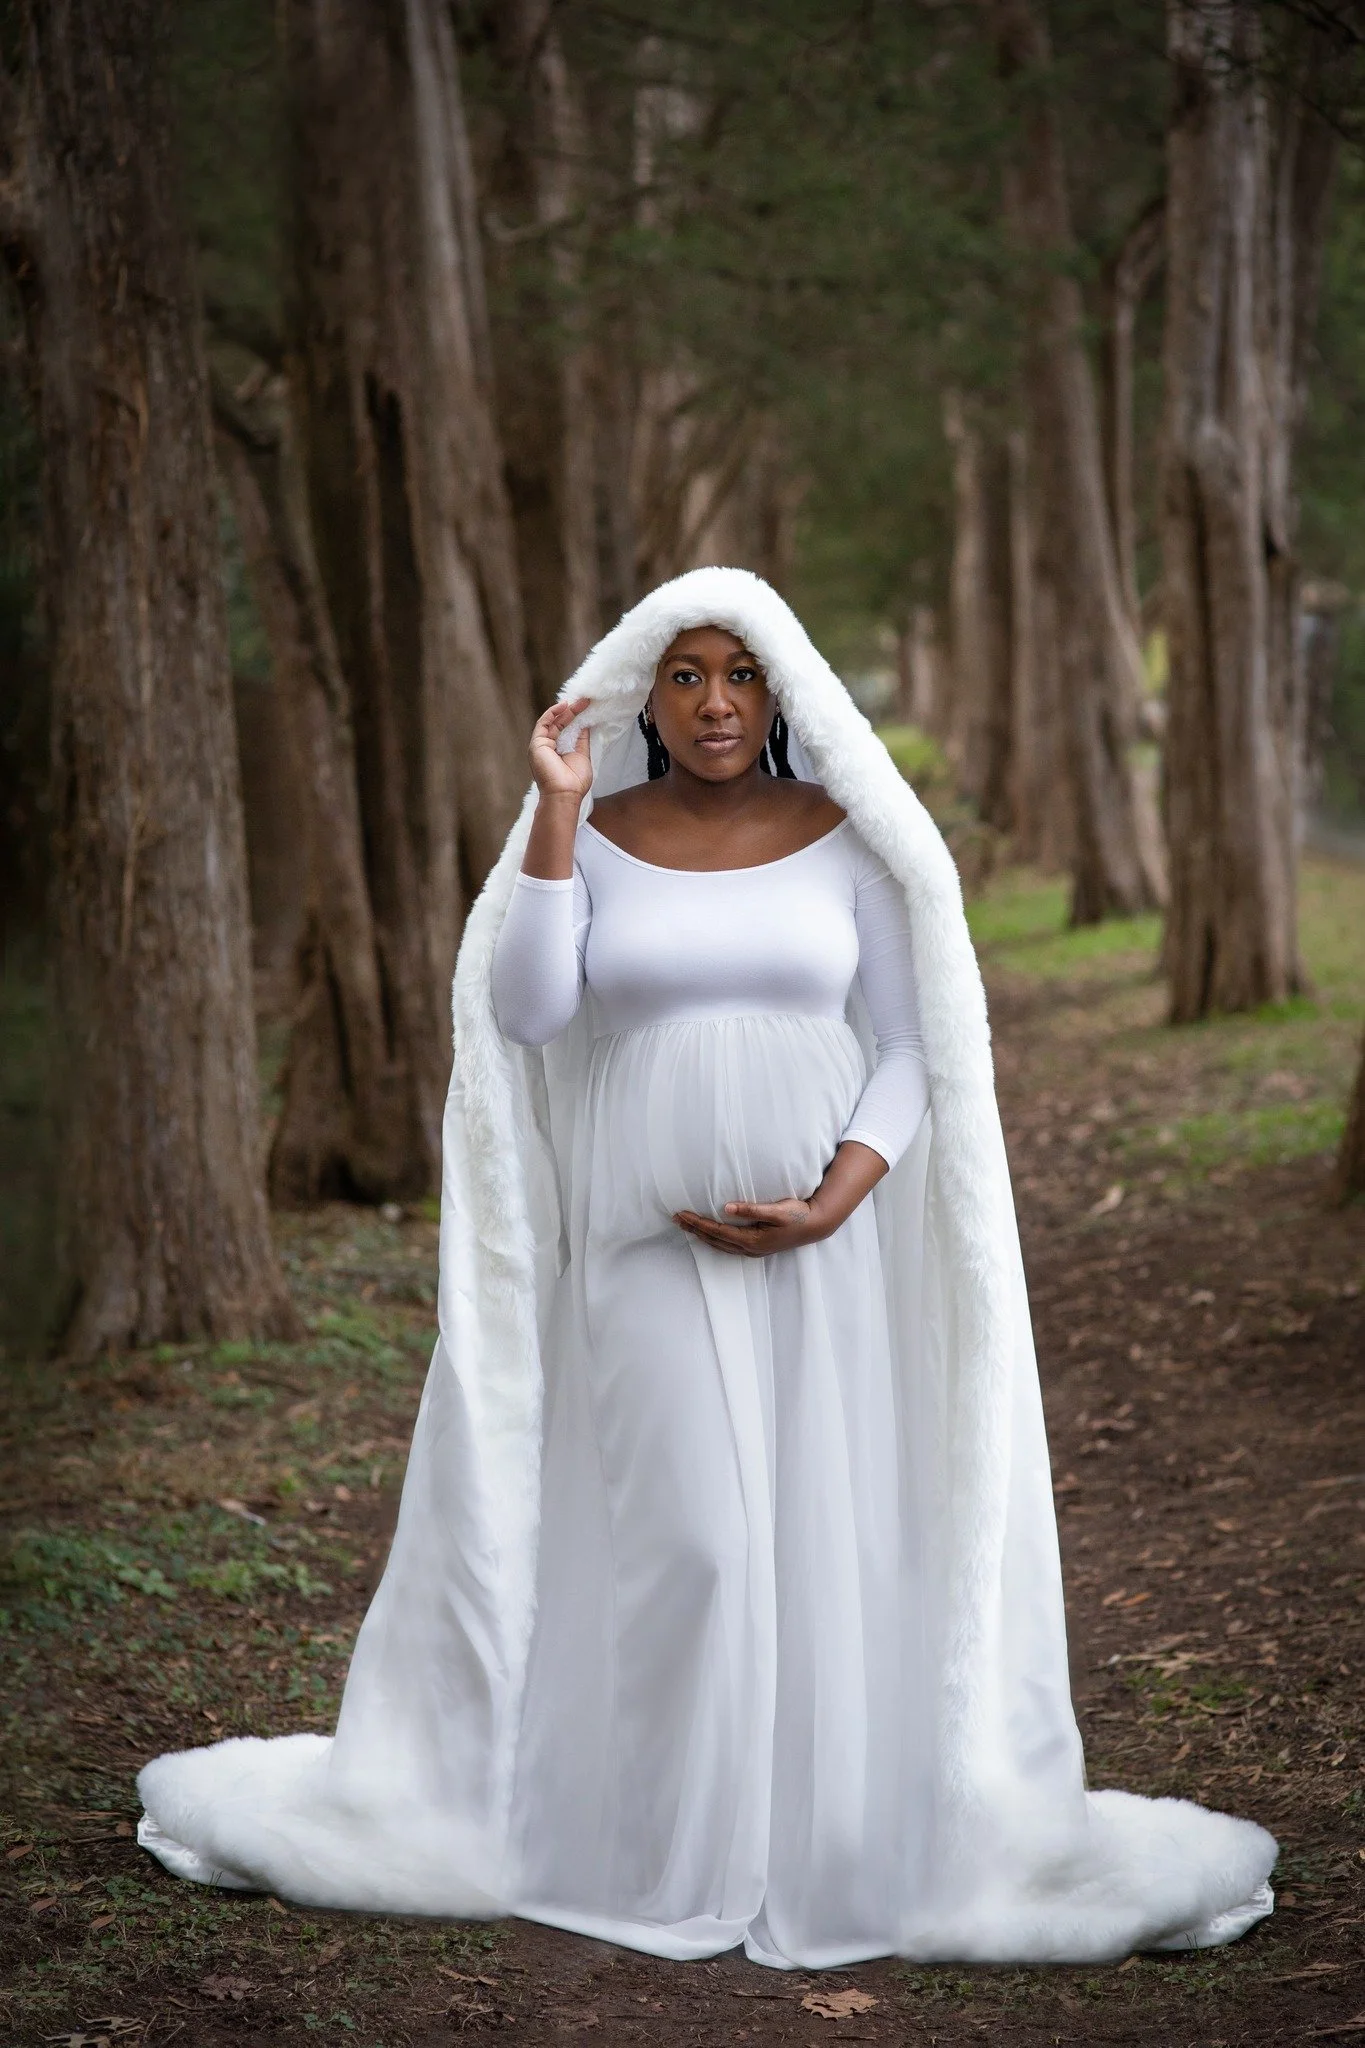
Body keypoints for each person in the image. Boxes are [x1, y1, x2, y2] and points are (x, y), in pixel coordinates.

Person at [138, 567, 1277, 1968]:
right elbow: (531, 1013)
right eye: (685, 675)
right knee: (696, 1544)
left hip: (821, 1256)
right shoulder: (599, 835)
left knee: (813, 1540)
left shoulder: (851, 836)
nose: (716, 701)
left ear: (782, 691)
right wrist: (558, 812)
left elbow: (911, 1045)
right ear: (644, 696)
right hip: (641, 1251)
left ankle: (817, 1844)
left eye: (740, 673)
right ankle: (668, 1842)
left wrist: (836, 1197)